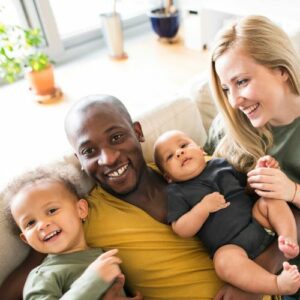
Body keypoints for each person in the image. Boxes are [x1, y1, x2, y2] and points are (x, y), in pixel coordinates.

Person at [1, 94, 300, 300]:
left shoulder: (191, 166)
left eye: (117, 137)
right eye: (89, 151)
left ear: (137, 133)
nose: (108, 158)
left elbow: (285, 212)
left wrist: (255, 280)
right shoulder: (82, 214)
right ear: (78, 160)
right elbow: (25, 280)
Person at [208, 15, 300, 299]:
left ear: (281, 69)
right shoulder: (227, 130)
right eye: (226, 89)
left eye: (242, 82)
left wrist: (292, 191)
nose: (234, 101)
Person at [153, 129, 300, 295]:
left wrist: (261, 173)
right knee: (222, 263)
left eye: (183, 145)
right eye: (170, 156)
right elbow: (181, 229)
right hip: (230, 247)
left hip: (257, 220)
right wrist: (202, 208)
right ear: (168, 177)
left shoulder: (221, 164)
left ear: (201, 150)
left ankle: (288, 239)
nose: (179, 152)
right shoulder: (176, 191)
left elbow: (248, 190)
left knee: (269, 199)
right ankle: (278, 285)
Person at [2, 166, 135, 300]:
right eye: (30, 223)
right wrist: (92, 282)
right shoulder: (42, 276)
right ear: (26, 239)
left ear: (81, 209)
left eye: (52, 210)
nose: (42, 225)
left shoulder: (101, 254)